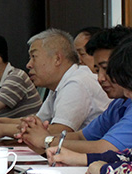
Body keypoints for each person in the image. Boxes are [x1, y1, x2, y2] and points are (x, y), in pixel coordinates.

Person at [20, 26, 132, 154]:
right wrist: (38, 136)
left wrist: (46, 141)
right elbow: (82, 136)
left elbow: (104, 148)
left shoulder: (78, 81)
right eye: (97, 70)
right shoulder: (118, 104)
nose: (100, 78)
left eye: (106, 69)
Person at [0, 29, 109, 139]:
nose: (28, 64)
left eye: (34, 57)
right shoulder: (59, 84)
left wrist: (3, 129)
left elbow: (59, 131)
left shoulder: (76, 82)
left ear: (57, 59)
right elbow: (38, 122)